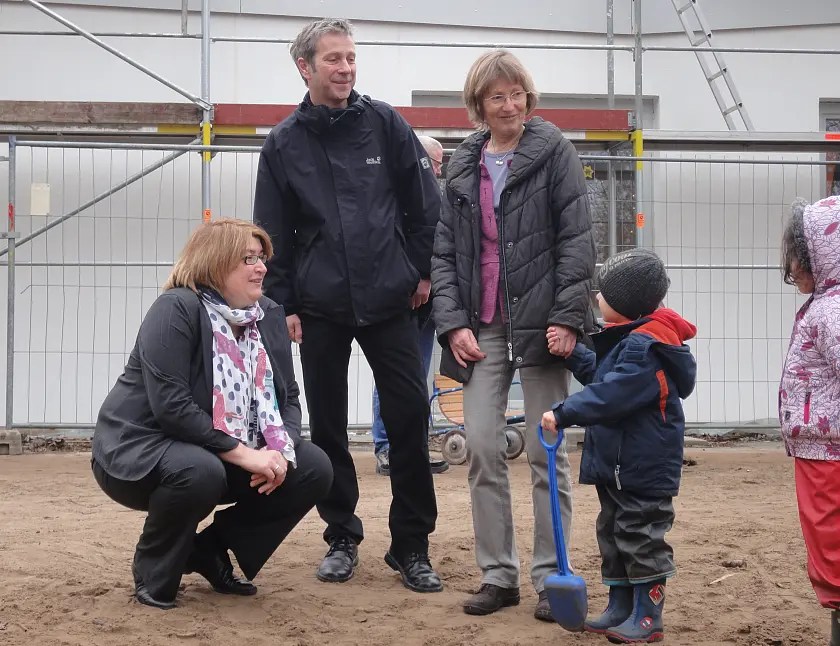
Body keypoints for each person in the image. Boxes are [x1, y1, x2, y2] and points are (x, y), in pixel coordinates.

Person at [253, 18, 443, 593]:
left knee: (409, 420)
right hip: (320, 307)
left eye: (351, 58)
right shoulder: (283, 143)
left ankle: (411, 545)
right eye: (333, 59)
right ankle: (342, 535)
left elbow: (422, 205)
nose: (345, 68)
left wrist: (421, 272)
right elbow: (272, 233)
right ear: (305, 67)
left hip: (390, 301)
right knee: (329, 426)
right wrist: (282, 302)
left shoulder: (386, 123)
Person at [431, 48, 597, 620]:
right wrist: (452, 324)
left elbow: (577, 240)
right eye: (496, 96)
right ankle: (497, 575)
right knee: (480, 445)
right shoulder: (461, 163)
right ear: (478, 104)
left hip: (544, 322)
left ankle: (553, 576)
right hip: (481, 327)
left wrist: (567, 317)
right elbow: (446, 252)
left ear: (529, 97)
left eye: (517, 93)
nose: (509, 105)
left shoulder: (555, 153)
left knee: (548, 452)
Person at [91, 219, 333, 610]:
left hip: (212, 451)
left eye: (262, 258)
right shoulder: (177, 308)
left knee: (312, 467)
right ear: (215, 264)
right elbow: (172, 408)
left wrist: (280, 453)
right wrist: (245, 454)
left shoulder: (267, 315)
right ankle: (155, 568)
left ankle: (206, 550)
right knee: (199, 471)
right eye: (248, 258)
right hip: (142, 447)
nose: (262, 268)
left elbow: (286, 397)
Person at [541, 248, 697, 643]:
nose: (597, 298)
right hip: (619, 466)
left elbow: (612, 394)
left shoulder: (646, 348)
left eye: (604, 294)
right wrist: (573, 353)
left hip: (642, 469)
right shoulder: (630, 341)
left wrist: (562, 412)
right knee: (612, 532)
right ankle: (619, 607)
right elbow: (604, 376)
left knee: (640, 535)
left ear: (625, 305)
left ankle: (648, 616)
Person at [778, 197, 840, 646]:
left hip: (828, 450)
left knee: (831, 539)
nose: (791, 266)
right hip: (819, 446)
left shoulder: (830, 312)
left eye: (798, 255)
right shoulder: (826, 306)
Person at [372, 134, 449, 477]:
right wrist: (420, 276)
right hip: (404, 296)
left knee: (419, 373)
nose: (438, 171)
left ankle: (414, 441)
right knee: (393, 372)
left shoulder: (434, 196)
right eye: (436, 164)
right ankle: (387, 445)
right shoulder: (398, 194)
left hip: (430, 298)